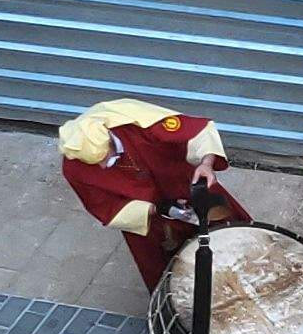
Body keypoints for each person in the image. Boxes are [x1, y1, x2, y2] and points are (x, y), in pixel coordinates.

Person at [54, 99, 242, 288]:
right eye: (96, 164)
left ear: (110, 137)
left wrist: (206, 164)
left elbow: (197, 132)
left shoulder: (138, 122)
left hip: (187, 185)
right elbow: (106, 208)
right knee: (168, 277)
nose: (103, 167)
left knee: (236, 241)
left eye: (105, 158)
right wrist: (156, 209)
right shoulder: (74, 167)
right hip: (149, 221)